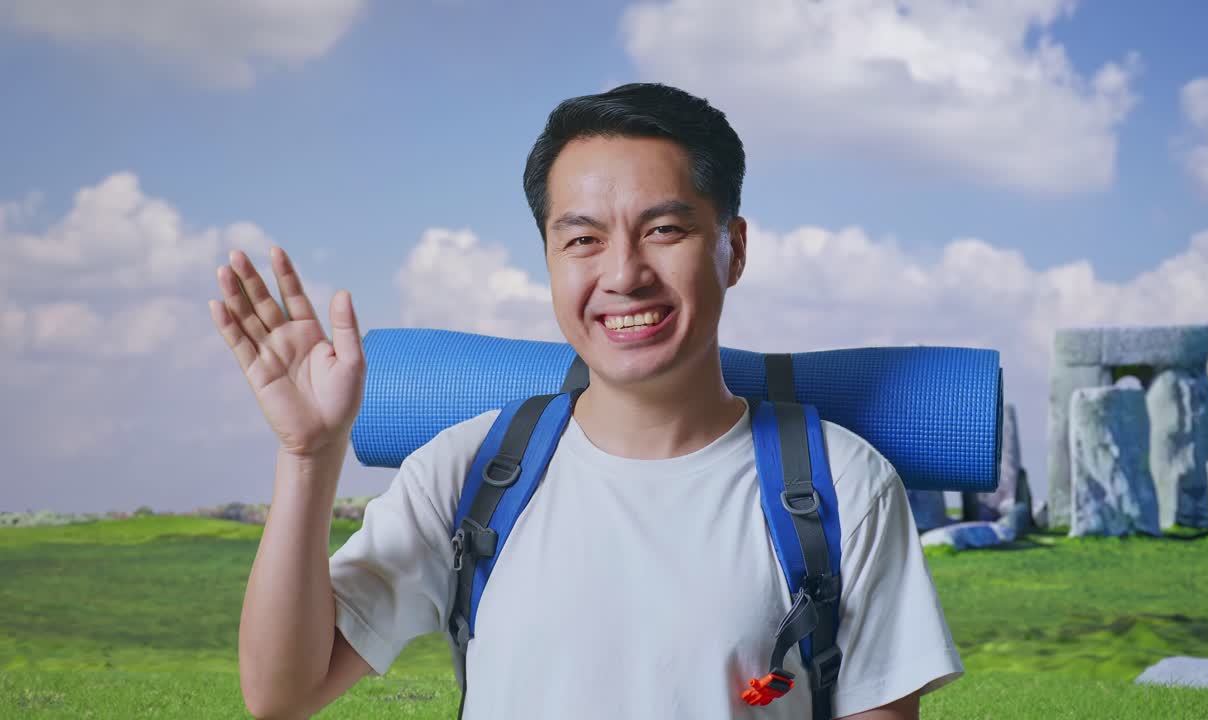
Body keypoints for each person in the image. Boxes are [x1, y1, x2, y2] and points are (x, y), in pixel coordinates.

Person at [213, 82, 963, 719]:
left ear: (733, 247)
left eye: (664, 229)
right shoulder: (470, 472)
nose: (624, 273)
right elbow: (282, 693)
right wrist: (307, 457)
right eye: (582, 240)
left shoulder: (841, 486)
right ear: (547, 258)